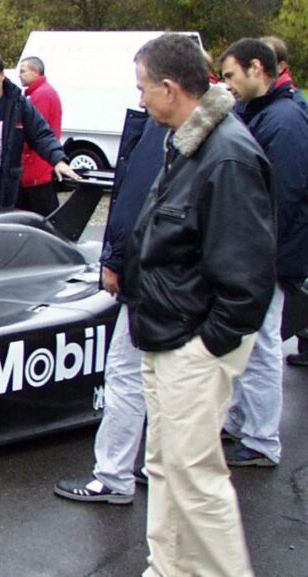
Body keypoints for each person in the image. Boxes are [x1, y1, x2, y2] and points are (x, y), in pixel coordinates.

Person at [126, 34, 275, 577]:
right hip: (167, 335)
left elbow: (248, 277)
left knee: (195, 475)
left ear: (169, 88)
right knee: (165, 466)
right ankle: (169, 569)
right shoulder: (190, 142)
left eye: (142, 88)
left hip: (190, 344)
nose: (139, 99)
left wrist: (206, 344)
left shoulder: (227, 154)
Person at [54, 110, 168, 504]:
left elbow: (134, 204)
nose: (140, 97)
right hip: (167, 283)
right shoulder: (211, 132)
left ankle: (114, 476)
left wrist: (115, 260)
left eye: (144, 87)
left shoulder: (167, 134)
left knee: (127, 374)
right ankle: (157, 467)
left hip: (153, 283)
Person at [219, 38, 308, 467]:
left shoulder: (285, 121)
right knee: (246, 343)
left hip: (266, 256)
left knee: (261, 344)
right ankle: (240, 424)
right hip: (256, 252)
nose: (228, 85)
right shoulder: (261, 112)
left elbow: (283, 198)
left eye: (232, 75)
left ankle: (260, 438)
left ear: (257, 68)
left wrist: (255, 254)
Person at [0, 53, 78, 212]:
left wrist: (58, 160)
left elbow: (40, 134)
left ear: (2, 75)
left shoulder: (18, 103)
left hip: (6, 188)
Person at [16, 56, 64, 216]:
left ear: (36, 72)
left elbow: (34, 131)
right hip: (38, 165)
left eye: (23, 71)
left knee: (41, 217)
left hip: (37, 167)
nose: (19, 75)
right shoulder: (40, 93)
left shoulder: (41, 95)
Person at [260, 35, 308, 110]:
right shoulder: (245, 98)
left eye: (266, 59)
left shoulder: (296, 105)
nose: (258, 65)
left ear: (280, 67)